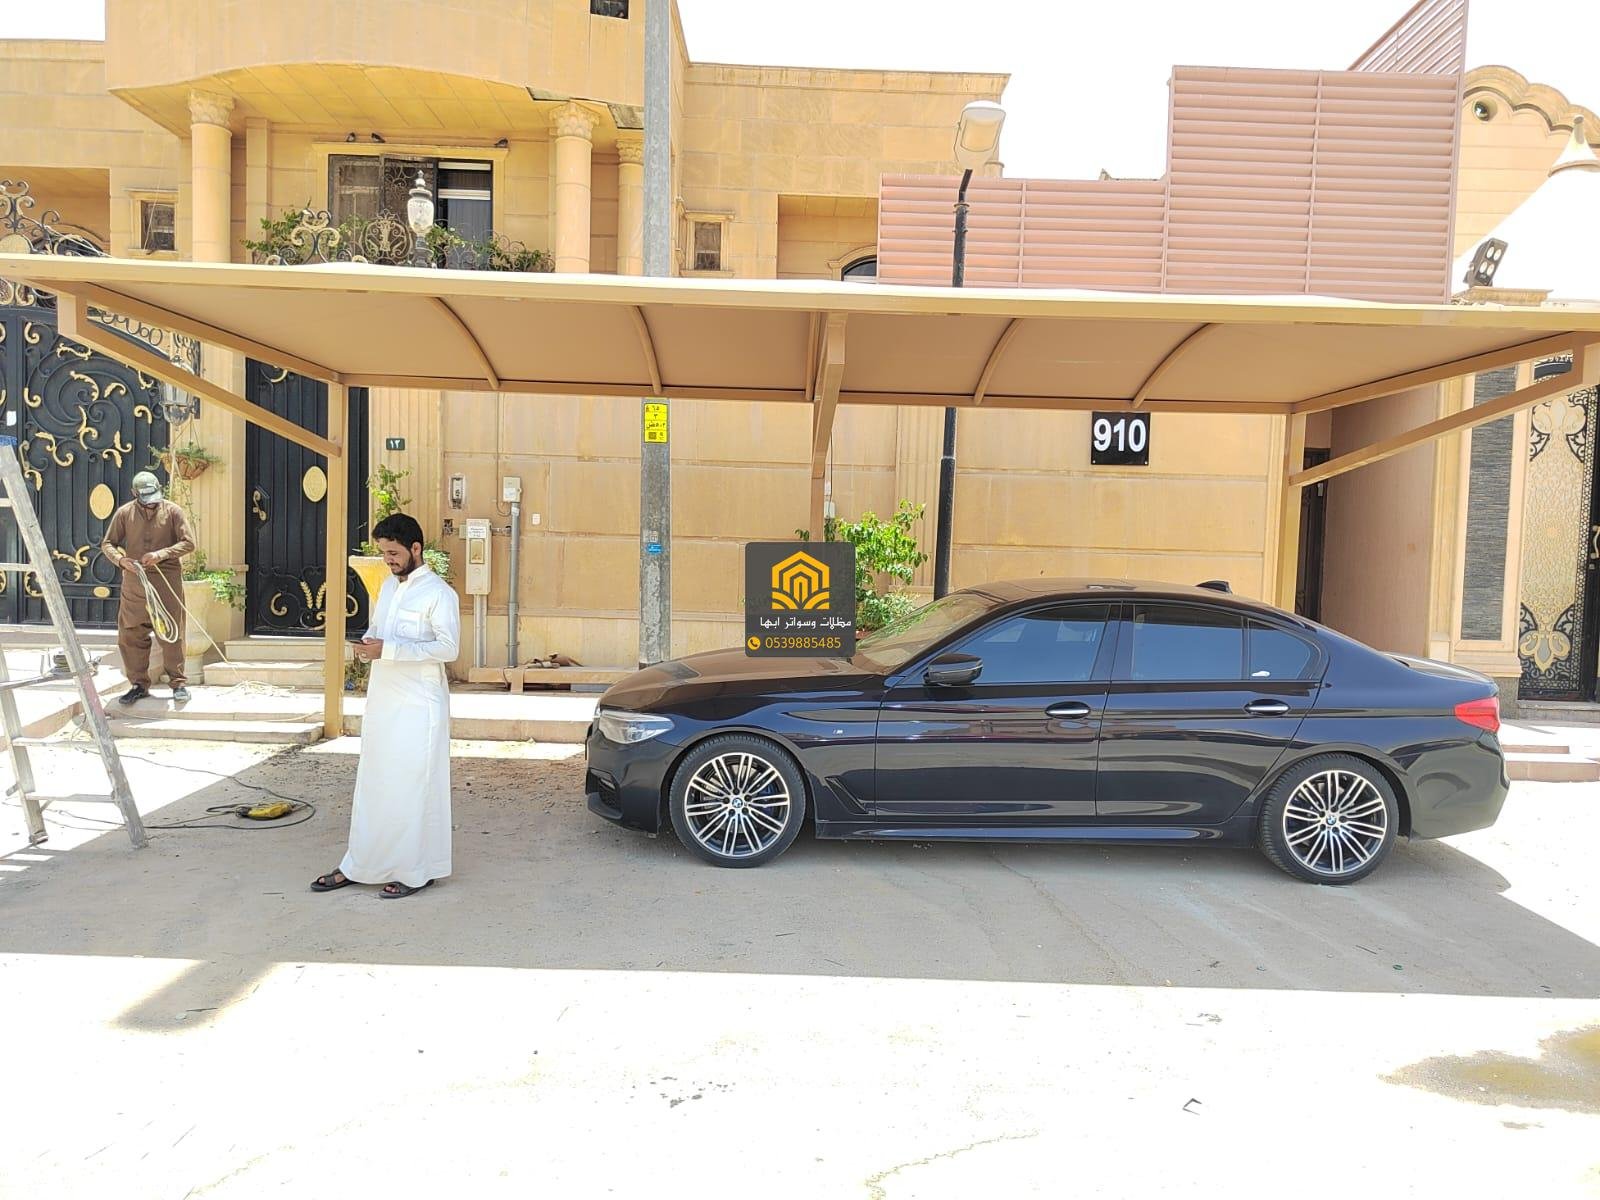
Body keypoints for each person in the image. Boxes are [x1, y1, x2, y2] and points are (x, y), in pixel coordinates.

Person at [311, 513, 459, 899]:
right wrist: (367, 645)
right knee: (375, 782)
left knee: (414, 786)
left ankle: (415, 870)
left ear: (415, 548)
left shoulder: (439, 594)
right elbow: (378, 631)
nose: (388, 560)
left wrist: (388, 650)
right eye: (383, 554)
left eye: (393, 553)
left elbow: (448, 648)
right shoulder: (389, 588)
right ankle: (360, 864)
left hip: (420, 705)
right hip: (384, 700)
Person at [99, 470, 195, 705]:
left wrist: (161, 554)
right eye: (146, 498)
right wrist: (121, 560)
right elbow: (108, 543)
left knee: (171, 631)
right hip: (135, 581)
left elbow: (189, 543)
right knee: (131, 633)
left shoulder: (173, 511)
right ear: (134, 493)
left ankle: (178, 683)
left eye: (154, 497)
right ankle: (138, 685)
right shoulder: (124, 513)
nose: (151, 503)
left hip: (166, 580)